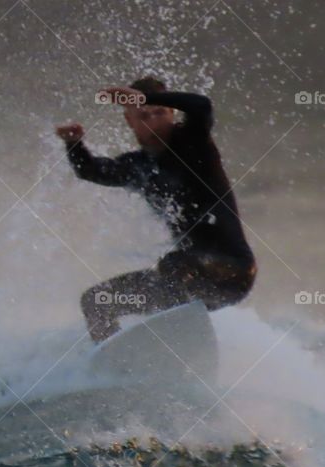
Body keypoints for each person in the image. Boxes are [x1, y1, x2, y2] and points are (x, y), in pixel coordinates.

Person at [55, 75, 257, 343]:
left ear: (172, 113)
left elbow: (200, 105)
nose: (153, 120)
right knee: (97, 301)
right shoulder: (137, 166)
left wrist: (142, 99)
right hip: (185, 278)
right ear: (129, 121)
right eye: (143, 115)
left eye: (159, 112)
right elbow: (91, 171)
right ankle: (114, 367)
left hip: (230, 270)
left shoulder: (193, 142)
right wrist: (74, 145)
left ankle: (182, 344)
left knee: (175, 263)